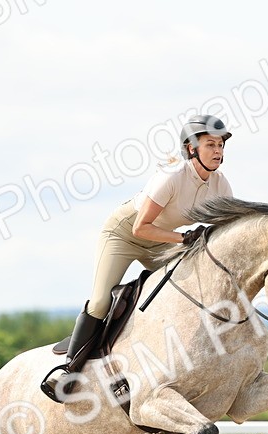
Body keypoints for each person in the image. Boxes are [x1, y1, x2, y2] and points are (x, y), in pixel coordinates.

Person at [41, 114, 234, 402]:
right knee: (100, 302)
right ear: (191, 148)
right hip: (124, 235)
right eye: (210, 145)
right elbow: (140, 228)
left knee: (186, 294)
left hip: (161, 241)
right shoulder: (172, 176)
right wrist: (184, 238)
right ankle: (68, 369)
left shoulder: (220, 185)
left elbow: (226, 229)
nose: (217, 151)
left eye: (220, 145)